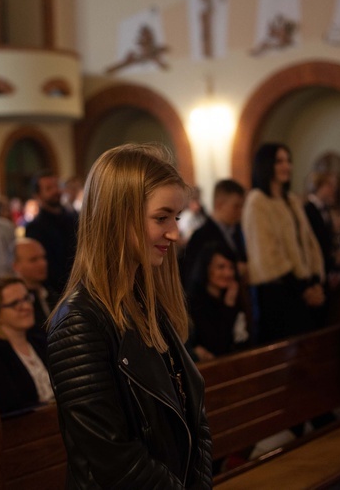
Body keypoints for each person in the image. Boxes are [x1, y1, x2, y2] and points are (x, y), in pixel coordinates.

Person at [48, 143, 213, 488]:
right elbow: (113, 457)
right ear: (119, 215)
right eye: (161, 218)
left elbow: (193, 416)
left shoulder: (146, 303)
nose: (174, 232)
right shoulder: (79, 322)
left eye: (176, 218)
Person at [242, 143, 325, 343]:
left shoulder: (292, 200)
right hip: (278, 293)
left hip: (302, 287)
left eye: (288, 161)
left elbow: (308, 242)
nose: (286, 166)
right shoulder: (257, 201)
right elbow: (267, 254)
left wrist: (315, 281)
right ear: (266, 164)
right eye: (279, 161)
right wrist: (302, 289)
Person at [0, 277, 54, 415]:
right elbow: (7, 407)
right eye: (15, 304)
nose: (26, 307)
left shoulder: (39, 340)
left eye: (27, 298)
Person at [186, 244, 248, 361]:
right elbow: (216, 346)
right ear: (206, 268)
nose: (228, 273)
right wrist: (229, 304)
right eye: (221, 267)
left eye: (231, 267)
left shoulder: (235, 293)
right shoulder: (194, 303)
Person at [182, 179, 247, 285]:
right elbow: (193, 277)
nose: (241, 212)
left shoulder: (236, 230)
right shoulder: (200, 236)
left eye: (242, 206)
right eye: (236, 206)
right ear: (219, 205)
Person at [25, 170, 78, 297]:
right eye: (49, 188)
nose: (56, 191)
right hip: (55, 293)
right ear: (37, 195)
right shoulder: (35, 228)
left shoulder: (74, 218)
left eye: (57, 186)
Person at [11, 238, 58, 348]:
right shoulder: (14, 302)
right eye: (33, 260)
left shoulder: (51, 293)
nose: (43, 263)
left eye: (43, 257)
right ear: (16, 266)